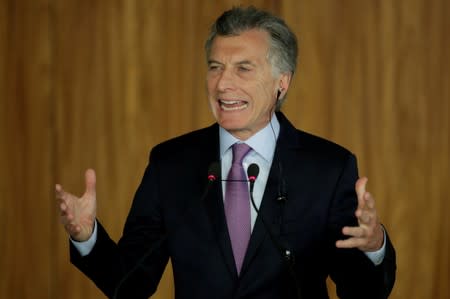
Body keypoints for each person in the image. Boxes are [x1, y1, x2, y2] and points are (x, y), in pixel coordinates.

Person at [56, 6, 396, 299]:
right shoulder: (171, 165)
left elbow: (361, 293)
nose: (222, 84)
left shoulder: (329, 168)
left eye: (243, 68)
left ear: (283, 82)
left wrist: (374, 246)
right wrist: (88, 238)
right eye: (215, 66)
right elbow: (130, 284)